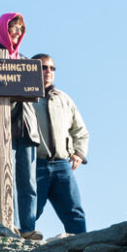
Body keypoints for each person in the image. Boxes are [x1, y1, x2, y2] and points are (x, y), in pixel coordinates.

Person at [0, 13, 41, 239]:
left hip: (26, 127)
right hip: (0, 125)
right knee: (5, 177)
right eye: (12, 28)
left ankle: (28, 228)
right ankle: (8, 224)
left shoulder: (24, 60)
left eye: (20, 29)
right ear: (3, 29)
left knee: (28, 180)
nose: (16, 33)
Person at [32, 53, 89, 234]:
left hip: (62, 165)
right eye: (43, 67)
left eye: (51, 68)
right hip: (35, 165)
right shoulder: (24, 98)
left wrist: (79, 153)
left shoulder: (64, 99)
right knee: (29, 213)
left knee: (74, 212)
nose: (48, 71)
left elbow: (80, 130)